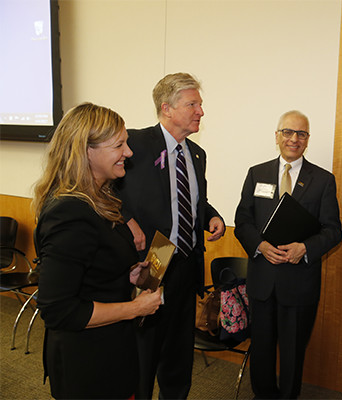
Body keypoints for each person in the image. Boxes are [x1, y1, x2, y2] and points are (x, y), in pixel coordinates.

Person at [33, 103, 163, 399]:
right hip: (88, 364)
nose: (129, 153)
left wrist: (125, 273)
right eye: (119, 144)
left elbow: (91, 265)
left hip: (112, 350)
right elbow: (58, 310)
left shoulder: (102, 198)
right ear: (86, 151)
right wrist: (135, 308)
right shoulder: (70, 212)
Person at [115, 72, 225, 399]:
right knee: (145, 345)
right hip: (155, 257)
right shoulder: (135, 143)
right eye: (192, 104)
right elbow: (105, 188)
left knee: (179, 350)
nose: (200, 112)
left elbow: (191, 200)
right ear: (167, 108)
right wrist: (128, 221)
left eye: (200, 105)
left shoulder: (196, 154)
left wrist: (211, 215)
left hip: (188, 261)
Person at [234, 110, 342, 399]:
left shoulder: (323, 180)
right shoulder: (256, 173)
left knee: (293, 354)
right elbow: (242, 221)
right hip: (262, 281)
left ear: (308, 140)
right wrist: (260, 246)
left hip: (299, 283)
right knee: (261, 350)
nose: (294, 139)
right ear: (277, 135)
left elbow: (334, 231)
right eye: (288, 132)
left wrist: (304, 249)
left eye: (301, 134)